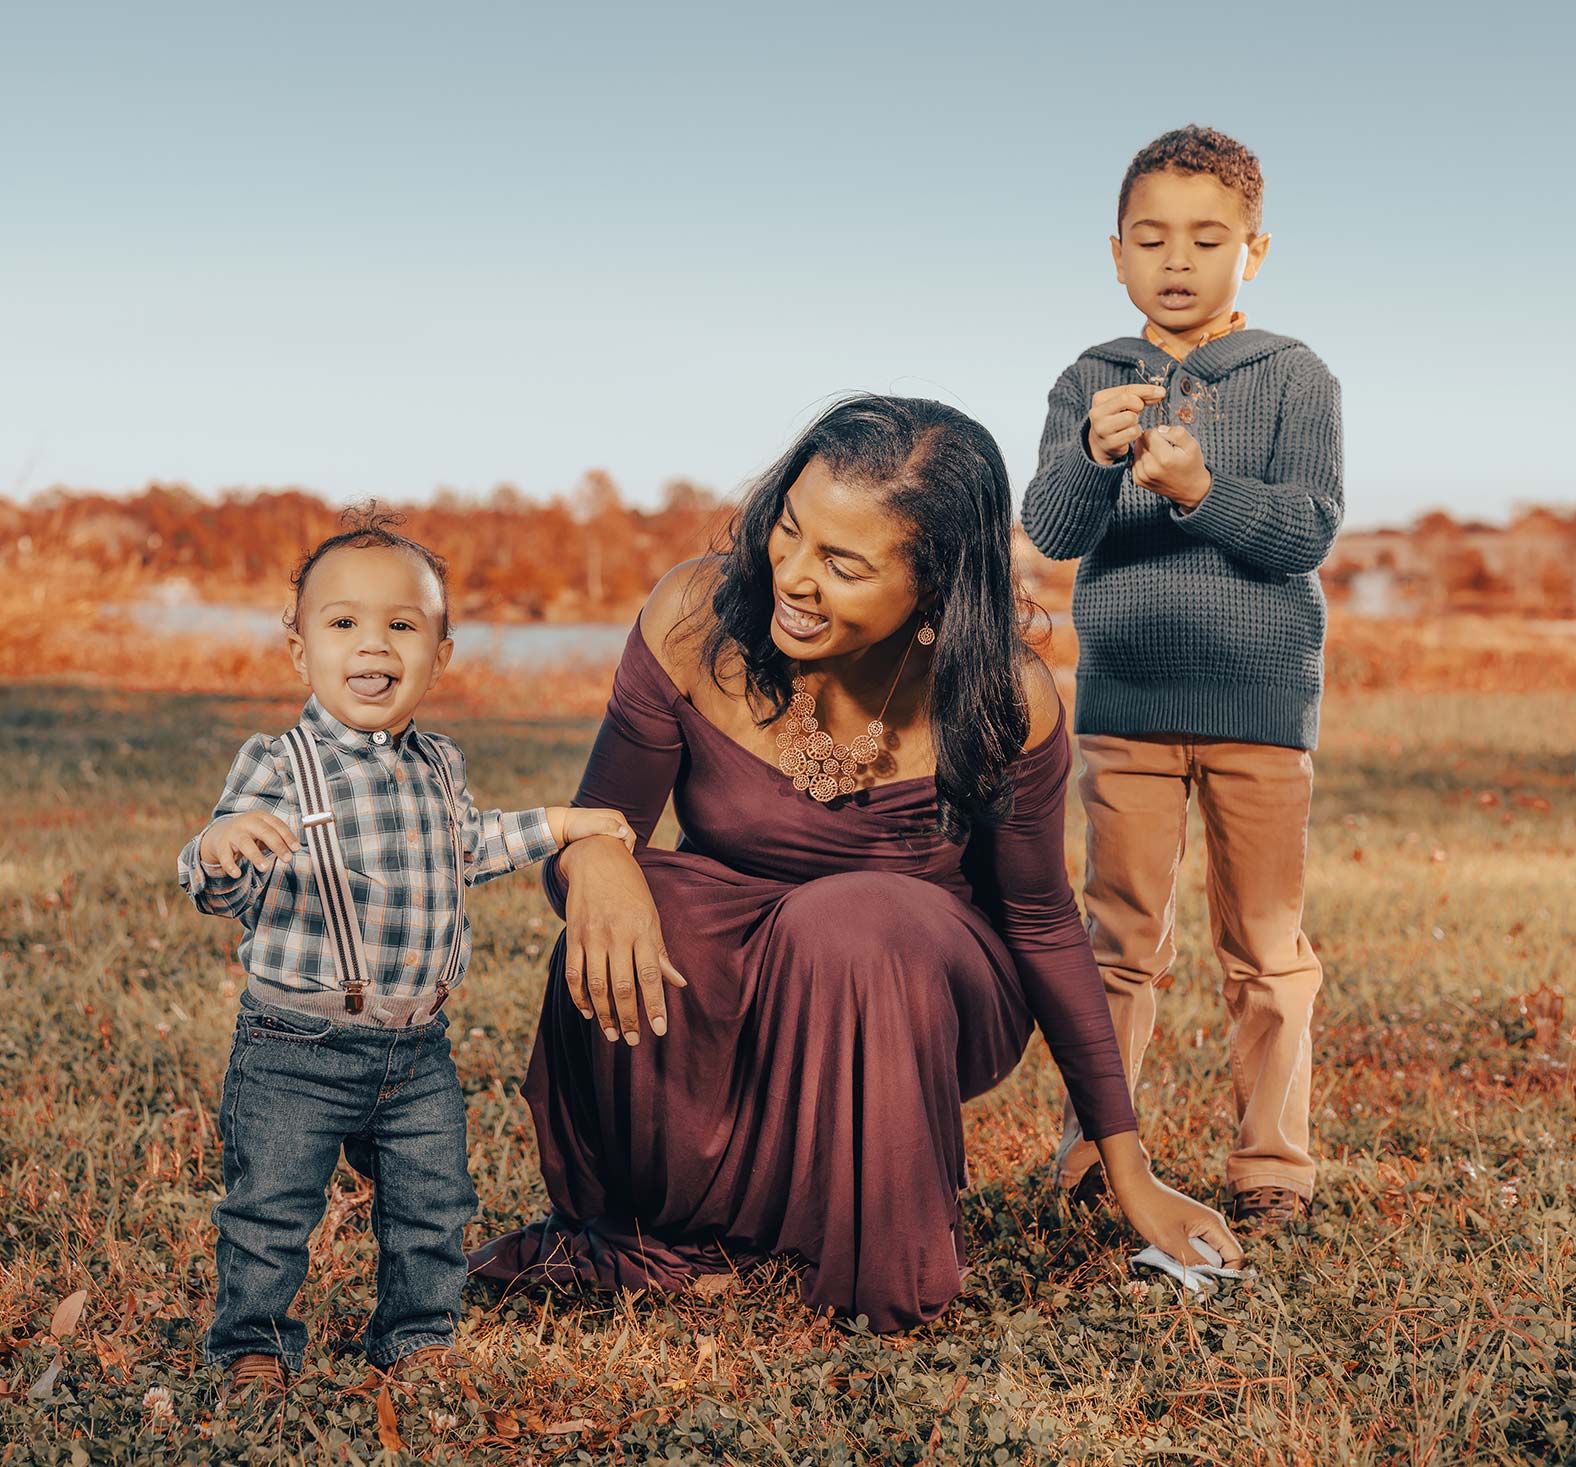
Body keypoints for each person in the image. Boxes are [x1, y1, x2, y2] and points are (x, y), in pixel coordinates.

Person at [468, 395, 1241, 1331]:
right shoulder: (691, 615)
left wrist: (1130, 1167)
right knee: (658, 895)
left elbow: (1039, 921)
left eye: (842, 563)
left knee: (849, 918)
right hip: (735, 968)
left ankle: (879, 1249)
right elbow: (604, 829)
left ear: (935, 583)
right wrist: (591, 855)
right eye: (788, 530)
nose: (792, 576)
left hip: (915, 974)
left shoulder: (1005, 697)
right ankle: (681, 1230)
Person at [176, 508, 633, 1403]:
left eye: (401, 624)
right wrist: (222, 847)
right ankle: (253, 1347)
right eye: (341, 622)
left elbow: (472, 843)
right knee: (270, 1208)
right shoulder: (277, 762)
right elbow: (215, 880)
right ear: (300, 649)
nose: (371, 644)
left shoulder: (439, 764)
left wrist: (565, 824)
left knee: (431, 1203)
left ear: (442, 653)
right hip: (296, 1044)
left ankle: (415, 1335)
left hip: (416, 1046)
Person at [1020, 124, 1342, 1226]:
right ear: (1115, 254)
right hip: (1126, 712)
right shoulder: (1091, 379)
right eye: (1151, 238)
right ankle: (1092, 1160)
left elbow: (1304, 531)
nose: (1177, 259)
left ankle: (1272, 1168)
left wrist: (1203, 487)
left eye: (1208, 238)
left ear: (1254, 250)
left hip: (1259, 709)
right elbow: (1052, 531)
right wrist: (1090, 460)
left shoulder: (1295, 376)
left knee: (1264, 949)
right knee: (1117, 942)